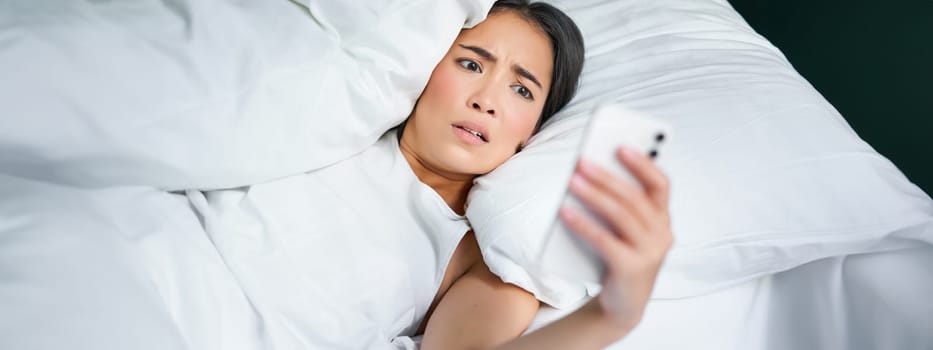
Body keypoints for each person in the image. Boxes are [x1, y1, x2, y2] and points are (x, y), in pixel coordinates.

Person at [396, 1, 674, 349]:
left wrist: (612, 316)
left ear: (532, 131)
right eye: (471, 64)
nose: (486, 101)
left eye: (522, 90)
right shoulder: (335, 131)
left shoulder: (484, 265)